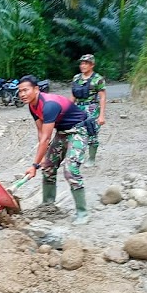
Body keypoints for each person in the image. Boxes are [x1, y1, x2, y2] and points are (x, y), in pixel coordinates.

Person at [18, 75, 95, 225]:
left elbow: (46, 138)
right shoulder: (32, 106)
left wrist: (34, 165)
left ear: (36, 89)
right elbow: (41, 134)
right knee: (48, 167)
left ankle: (82, 213)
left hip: (78, 131)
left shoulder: (49, 105)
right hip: (62, 133)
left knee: (70, 170)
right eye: (20, 91)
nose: (22, 94)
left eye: (25, 90)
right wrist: (41, 160)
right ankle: (48, 206)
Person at [71, 54, 106, 167]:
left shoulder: (98, 79)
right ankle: (76, 157)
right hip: (78, 108)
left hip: (92, 109)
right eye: (82, 63)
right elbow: (73, 96)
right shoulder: (76, 78)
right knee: (75, 132)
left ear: (92, 65)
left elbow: (102, 97)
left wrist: (101, 116)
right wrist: (66, 109)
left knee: (92, 134)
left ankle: (91, 158)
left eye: (86, 63)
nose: (83, 65)